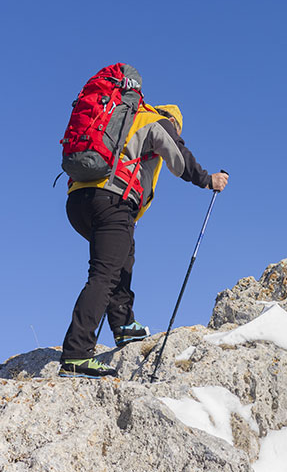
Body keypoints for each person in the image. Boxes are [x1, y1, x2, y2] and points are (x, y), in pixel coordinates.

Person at [59, 93, 229, 378]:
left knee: (122, 259)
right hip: (111, 200)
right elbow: (179, 159)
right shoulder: (157, 121)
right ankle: (76, 353)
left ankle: (124, 325)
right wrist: (207, 179)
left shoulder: (124, 121)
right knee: (104, 274)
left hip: (79, 200)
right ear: (174, 122)